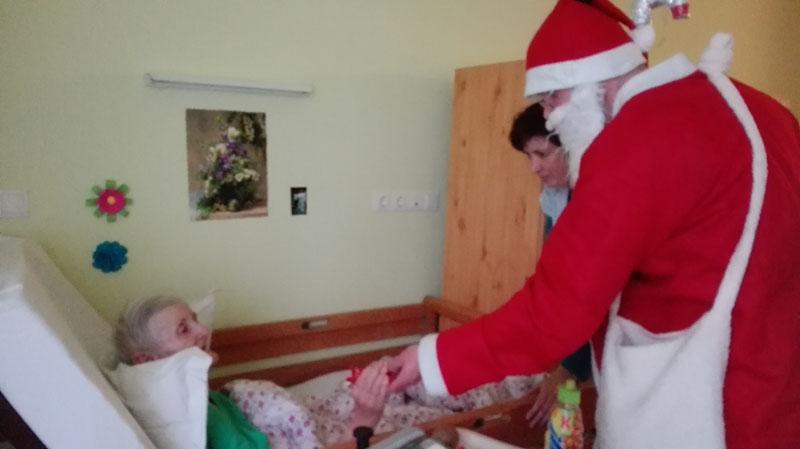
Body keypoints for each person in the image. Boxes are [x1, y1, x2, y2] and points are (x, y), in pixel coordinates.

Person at [389, 1, 800, 448]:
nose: (550, 118)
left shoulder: (633, 141)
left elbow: (552, 313)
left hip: (710, 405)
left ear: (589, 79)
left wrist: (429, 359)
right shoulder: (764, 111)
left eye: (551, 99)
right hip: (780, 391)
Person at [114, 296, 542, 449]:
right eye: (184, 330)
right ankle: (522, 382)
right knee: (425, 407)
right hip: (336, 430)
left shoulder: (200, 398)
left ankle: (517, 374)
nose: (203, 331)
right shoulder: (199, 428)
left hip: (317, 409)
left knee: (407, 378)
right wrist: (364, 419)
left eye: (194, 319)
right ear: (147, 362)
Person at [508, 103, 592, 427]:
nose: (534, 167)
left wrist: (571, 367)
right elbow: (556, 282)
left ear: (571, 146)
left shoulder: (594, 200)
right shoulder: (557, 199)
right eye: (529, 156)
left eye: (542, 154)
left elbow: (591, 293)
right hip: (574, 342)